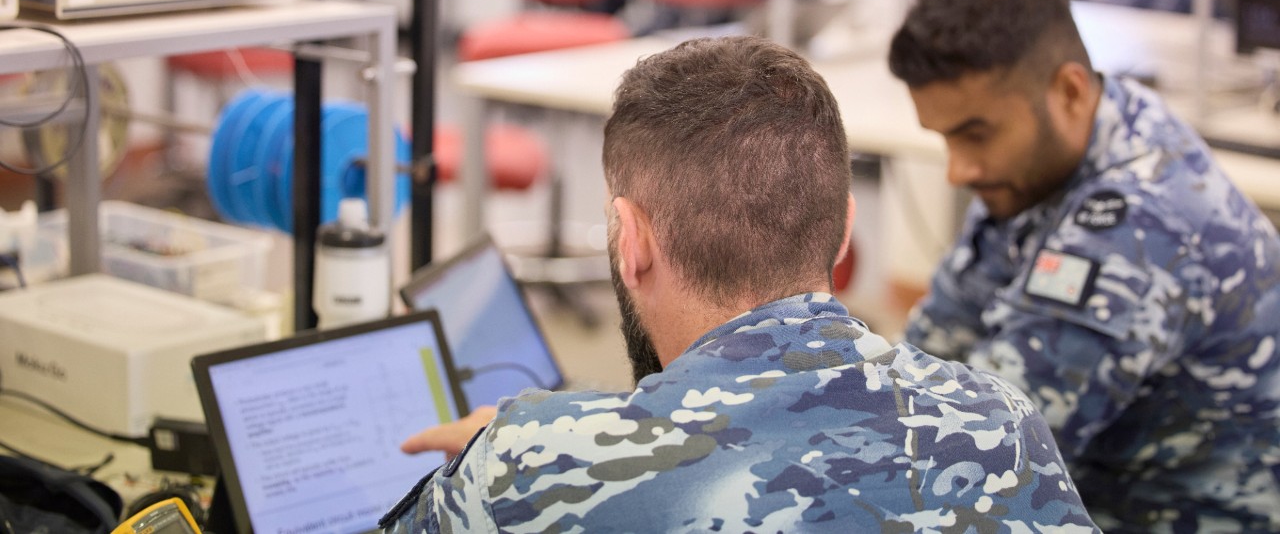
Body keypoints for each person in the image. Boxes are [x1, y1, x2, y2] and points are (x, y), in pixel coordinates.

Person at [381, 36, 1097, 532]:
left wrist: (518, 448)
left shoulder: (529, 470)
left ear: (631, 240)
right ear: (844, 229)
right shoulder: (999, 424)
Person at [887, 0, 1280, 532]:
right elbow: (931, 350)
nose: (958, 171)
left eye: (975, 134)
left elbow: (986, 455)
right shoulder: (1051, 158)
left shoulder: (1139, 226)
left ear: (1070, 92)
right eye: (946, 139)